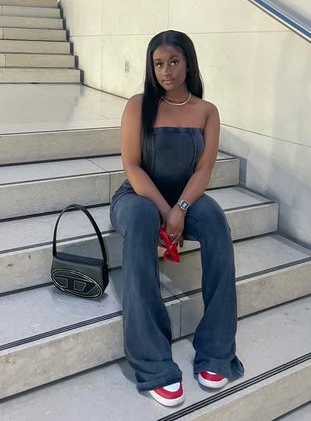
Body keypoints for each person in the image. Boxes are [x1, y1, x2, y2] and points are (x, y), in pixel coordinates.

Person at [110, 30, 244, 407]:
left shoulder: (206, 111)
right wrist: (165, 212)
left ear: (188, 63)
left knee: (216, 222)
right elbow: (132, 166)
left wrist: (181, 208)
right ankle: (153, 363)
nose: (166, 71)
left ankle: (216, 350)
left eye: (173, 62)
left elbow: (204, 170)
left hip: (186, 198)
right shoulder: (138, 105)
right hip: (138, 196)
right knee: (138, 222)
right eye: (158, 64)